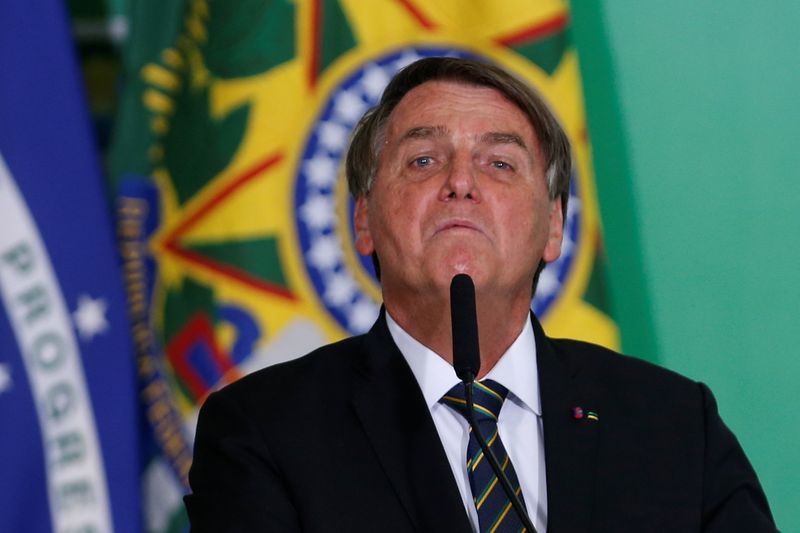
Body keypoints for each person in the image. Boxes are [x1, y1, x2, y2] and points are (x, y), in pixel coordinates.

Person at [184, 57, 776, 532]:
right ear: (363, 220)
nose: (461, 183)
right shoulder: (263, 430)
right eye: (422, 159)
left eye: (498, 163)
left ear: (553, 228)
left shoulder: (673, 426)